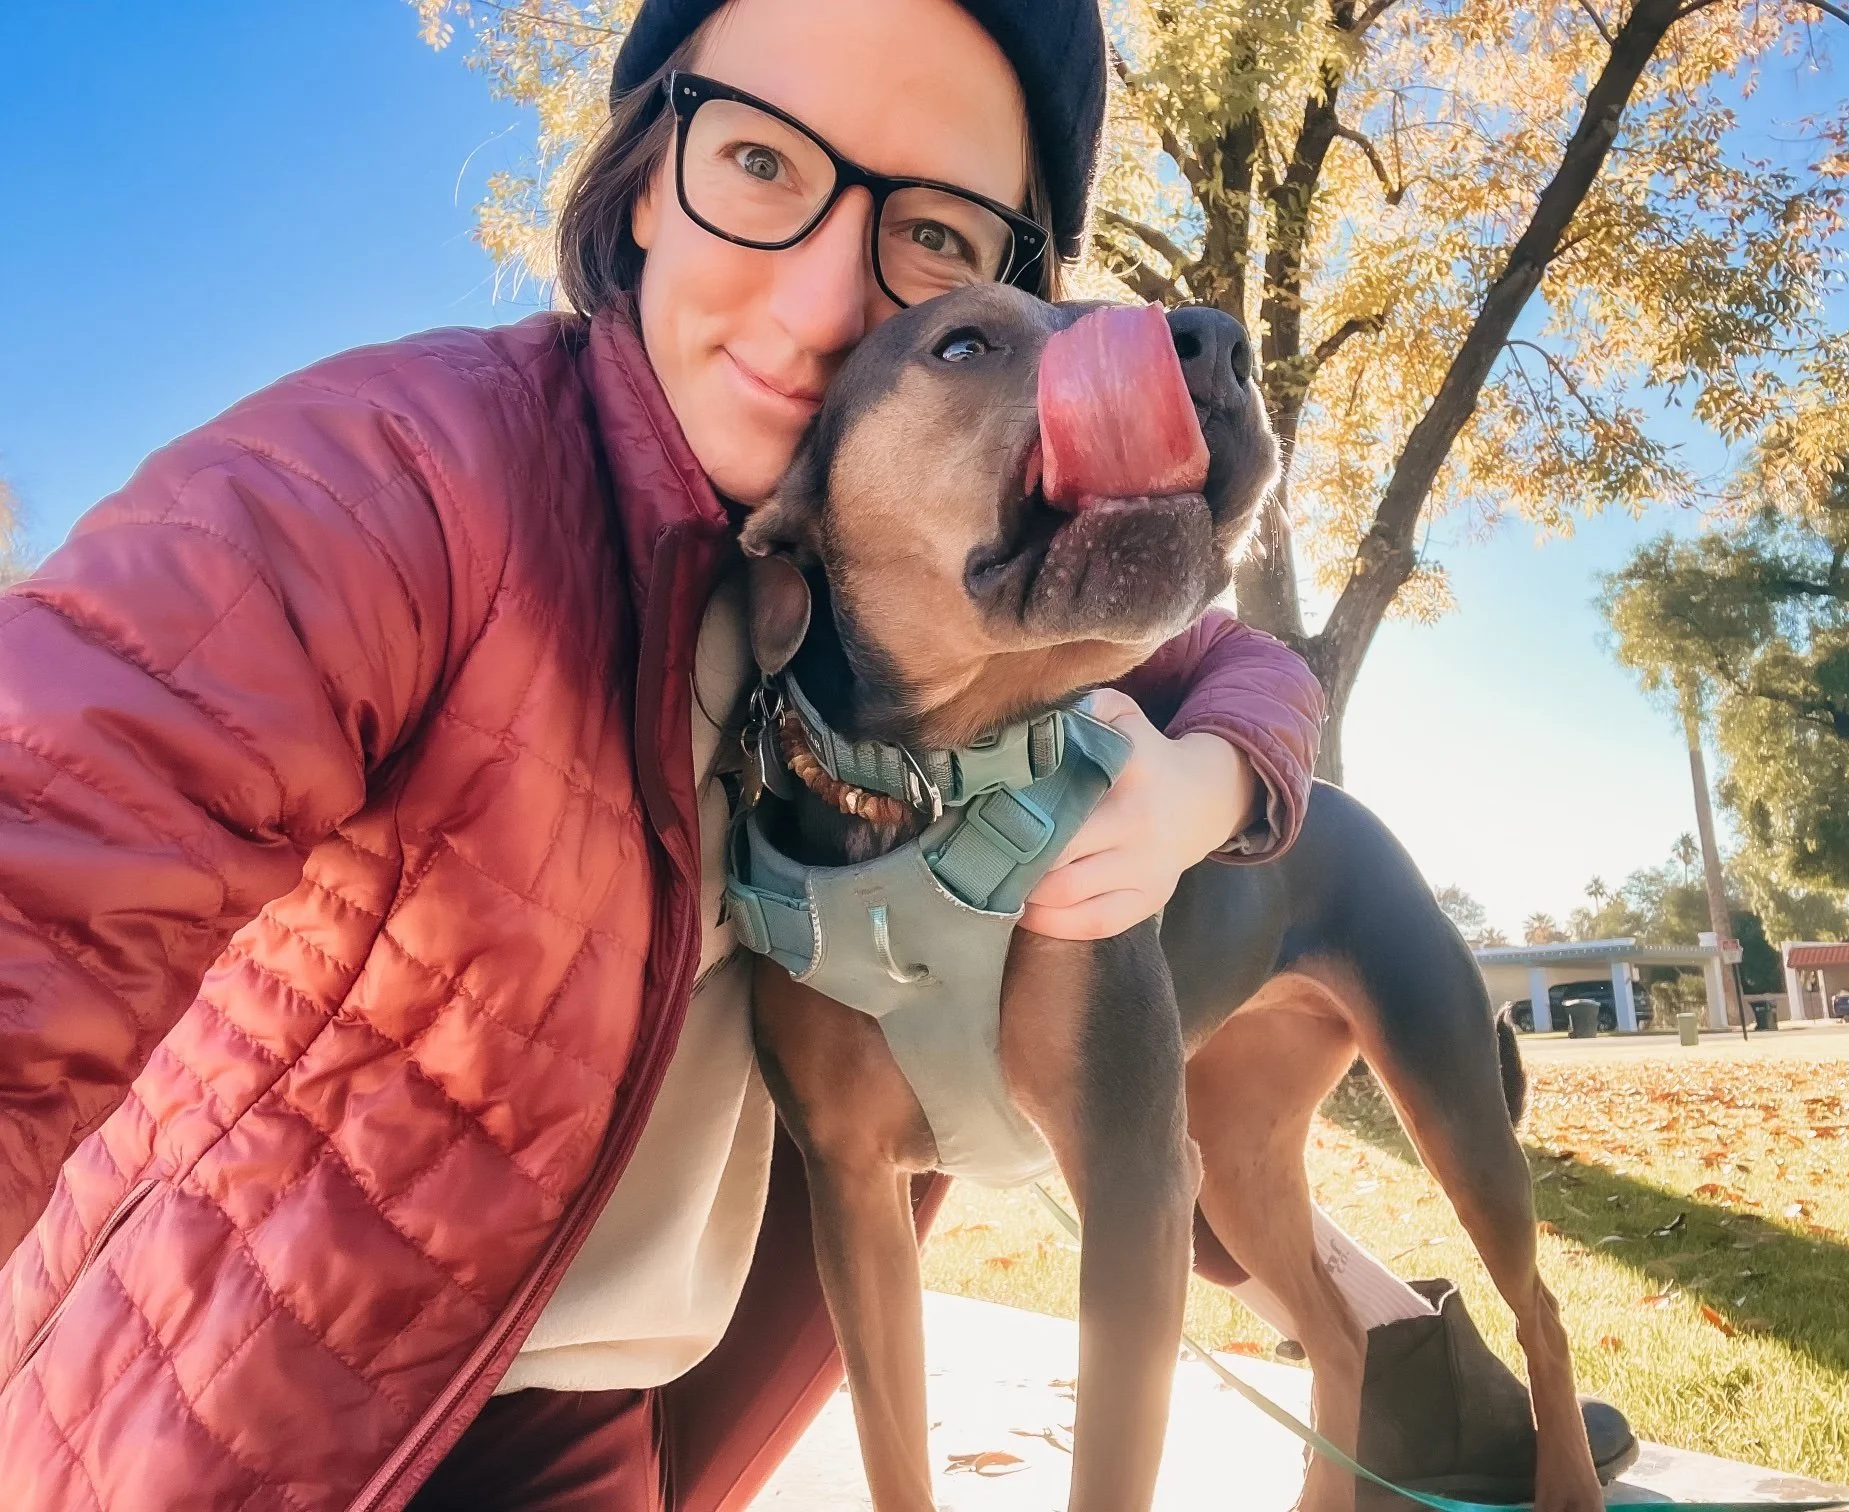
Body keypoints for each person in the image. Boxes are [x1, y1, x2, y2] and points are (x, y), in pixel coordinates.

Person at [0, 1, 1629, 1507]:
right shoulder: (397, 484)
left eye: (929, 235)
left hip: (620, 1433)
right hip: (263, 1436)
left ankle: (1465, 1409)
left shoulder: (953, 565)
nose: (824, 297)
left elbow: (1238, 654)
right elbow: (53, 842)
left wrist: (1211, 785)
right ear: (645, 176)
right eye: (760, 160)